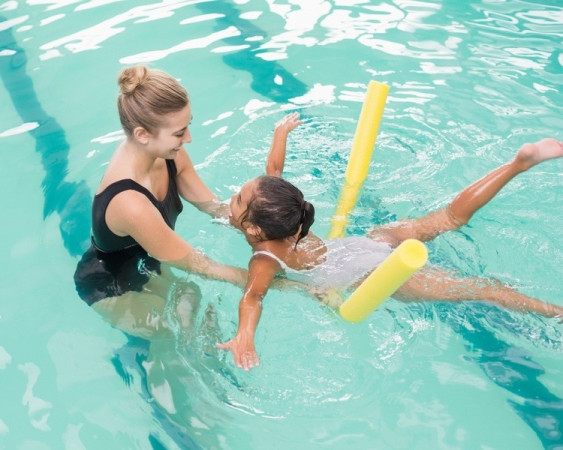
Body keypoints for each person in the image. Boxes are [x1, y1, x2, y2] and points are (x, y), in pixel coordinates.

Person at [216, 113, 563, 371]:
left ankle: (557, 313)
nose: (231, 198)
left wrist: (245, 335)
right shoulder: (288, 214)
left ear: (255, 230)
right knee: (449, 217)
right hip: (363, 244)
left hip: (373, 273)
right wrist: (280, 134)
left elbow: (253, 296)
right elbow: (274, 171)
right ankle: (517, 165)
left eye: (238, 199)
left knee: (483, 290)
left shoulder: (263, 258)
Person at [73, 66, 305, 339]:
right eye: (179, 133)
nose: (188, 139)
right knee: (170, 333)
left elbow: (216, 209)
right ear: (143, 134)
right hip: (112, 284)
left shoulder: (169, 155)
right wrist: (295, 287)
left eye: (187, 127)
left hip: (148, 262)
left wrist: (276, 235)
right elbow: (205, 267)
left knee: (191, 299)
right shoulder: (130, 204)